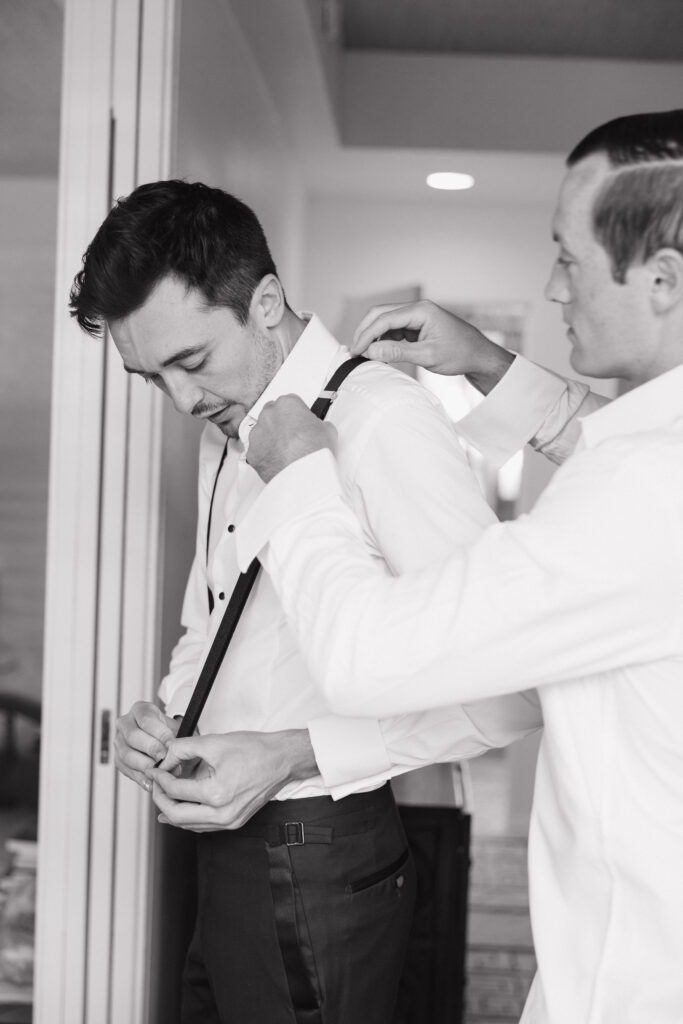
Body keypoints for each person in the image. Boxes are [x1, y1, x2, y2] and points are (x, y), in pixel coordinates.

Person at [151, 109, 683, 1024]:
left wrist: (301, 478)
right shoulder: (646, 456)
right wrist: (486, 362)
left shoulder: (632, 486)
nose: (550, 288)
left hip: (632, 976)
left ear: (663, 281)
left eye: (566, 256)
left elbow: (391, 661)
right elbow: (599, 434)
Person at [69, 180, 544, 1024]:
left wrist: (288, 753)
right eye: (151, 378)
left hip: (317, 857)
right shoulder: (235, 417)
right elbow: (213, 617)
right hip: (226, 845)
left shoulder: (382, 422)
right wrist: (169, 717)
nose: (180, 402)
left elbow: (508, 694)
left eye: (190, 361)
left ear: (264, 303)